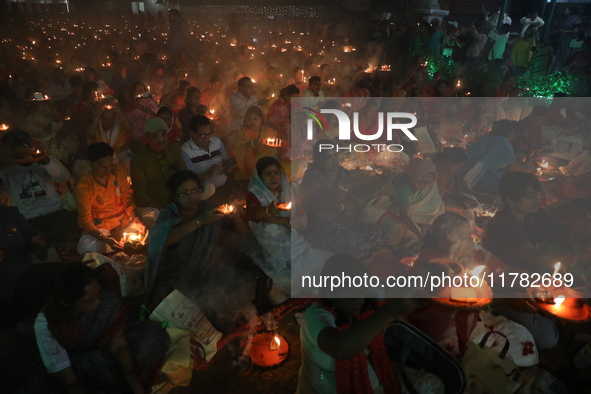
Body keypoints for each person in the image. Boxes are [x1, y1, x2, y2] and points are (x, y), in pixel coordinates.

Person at [30, 262, 170, 393]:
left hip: (106, 351)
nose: (97, 303)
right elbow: (70, 382)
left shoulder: (105, 298)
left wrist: (133, 381)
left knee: (152, 335)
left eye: (97, 295)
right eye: (88, 301)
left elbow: (119, 345)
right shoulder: (49, 325)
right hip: (81, 365)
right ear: (66, 303)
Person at [297, 254, 414, 394]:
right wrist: (389, 311)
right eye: (351, 297)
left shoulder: (359, 291)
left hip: (369, 379)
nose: (360, 301)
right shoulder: (315, 317)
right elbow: (340, 349)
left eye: (362, 292)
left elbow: (394, 289)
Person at [246, 157, 332, 300]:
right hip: (270, 244)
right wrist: (268, 210)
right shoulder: (256, 193)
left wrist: (278, 220)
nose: (274, 177)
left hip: (294, 239)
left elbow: (303, 220)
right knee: (292, 281)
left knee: (322, 264)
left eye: (276, 172)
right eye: (268, 174)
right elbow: (253, 213)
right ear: (260, 178)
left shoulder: (287, 190)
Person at [144, 170, 225, 307]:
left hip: (204, 269)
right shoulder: (168, 216)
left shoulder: (209, 209)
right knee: (163, 300)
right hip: (176, 275)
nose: (192, 196)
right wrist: (200, 221)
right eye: (184, 193)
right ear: (175, 198)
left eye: (195, 190)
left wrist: (238, 216)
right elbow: (162, 241)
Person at [484, 171, 591, 274]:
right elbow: (535, 257)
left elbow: (571, 235)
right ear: (511, 201)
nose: (537, 200)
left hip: (530, 272)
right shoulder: (501, 224)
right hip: (504, 278)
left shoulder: (537, 215)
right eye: (530, 197)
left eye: (537, 195)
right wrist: (579, 258)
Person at [300, 140, 389, 260]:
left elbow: (354, 202)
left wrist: (340, 207)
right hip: (320, 227)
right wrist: (344, 186)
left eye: (336, 155)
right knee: (359, 247)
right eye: (329, 157)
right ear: (319, 161)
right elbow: (325, 206)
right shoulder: (312, 177)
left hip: (344, 220)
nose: (334, 160)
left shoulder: (343, 173)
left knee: (380, 234)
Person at [76, 142, 157, 254]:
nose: (108, 170)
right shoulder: (84, 186)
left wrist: (136, 219)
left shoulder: (118, 171)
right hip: (102, 227)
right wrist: (106, 240)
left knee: (154, 213)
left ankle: (122, 240)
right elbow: (86, 220)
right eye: (102, 166)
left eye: (110, 165)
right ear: (90, 164)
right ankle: (120, 242)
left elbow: (126, 198)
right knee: (84, 247)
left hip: (123, 219)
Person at [0, 129, 78, 244]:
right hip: (27, 219)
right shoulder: (5, 169)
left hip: (54, 213)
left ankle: (40, 239)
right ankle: (42, 239)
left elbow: (62, 178)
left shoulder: (43, 160)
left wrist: (45, 161)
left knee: (77, 220)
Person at [370, 158, 445, 248]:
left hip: (407, 209)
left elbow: (427, 209)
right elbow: (404, 215)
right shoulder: (404, 188)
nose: (426, 185)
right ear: (416, 177)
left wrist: (423, 232)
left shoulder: (430, 183)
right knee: (412, 237)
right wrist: (420, 235)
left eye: (430, 181)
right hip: (390, 209)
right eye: (423, 182)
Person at [457, 120, 536, 195]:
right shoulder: (504, 142)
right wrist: (529, 170)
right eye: (515, 135)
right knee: (511, 186)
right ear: (510, 132)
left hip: (461, 170)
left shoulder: (488, 136)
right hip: (477, 177)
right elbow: (513, 166)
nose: (514, 138)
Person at [130, 118, 186, 211]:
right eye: (156, 136)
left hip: (176, 198)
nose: (161, 139)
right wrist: (161, 209)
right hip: (154, 204)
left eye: (163, 135)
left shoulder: (174, 149)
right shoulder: (139, 159)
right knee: (154, 214)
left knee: (207, 189)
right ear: (147, 137)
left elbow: (184, 176)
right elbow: (140, 193)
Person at [227, 106, 279, 180]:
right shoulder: (242, 133)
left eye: (256, 119)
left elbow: (276, 144)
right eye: (249, 119)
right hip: (250, 164)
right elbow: (237, 145)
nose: (253, 122)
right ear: (245, 121)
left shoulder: (269, 132)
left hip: (269, 161)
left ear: (261, 119)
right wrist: (252, 143)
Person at [181, 115, 229, 188]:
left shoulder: (217, 142)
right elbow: (189, 179)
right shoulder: (185, 151)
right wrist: (208, 174)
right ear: (192, 133)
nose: (207, 138)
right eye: (202, 135)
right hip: (201, 191)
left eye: (209, 134)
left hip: (224, 187)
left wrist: (228, 165)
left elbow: (225, 160)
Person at [433, 147, 478, 216]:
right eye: (456, 166)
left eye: (460, 166)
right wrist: (461, 208)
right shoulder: (441, 175)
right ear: (447, 161)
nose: (458, 169)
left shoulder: (446, 169)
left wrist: (462, 199)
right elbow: (436, 203)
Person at [87, 104, 133, 170]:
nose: (109, 121)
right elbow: (90, 133)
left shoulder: (119, 125)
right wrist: (98, 115)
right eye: (106, 119)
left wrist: (119, 113)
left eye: (112, 118)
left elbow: (131, 129)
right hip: (102, 156)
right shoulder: (97, 127)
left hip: (120, 155)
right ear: (101, 119)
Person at [125, 81, 158, 151]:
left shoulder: (148, 101)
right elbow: (124, 115)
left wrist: (140, 107)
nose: (140, 92)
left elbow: (155, 113)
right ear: (132, 91)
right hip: (130, 132)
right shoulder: (129, 102)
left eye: (142, 90)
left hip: (145, 132)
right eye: (137, 90)